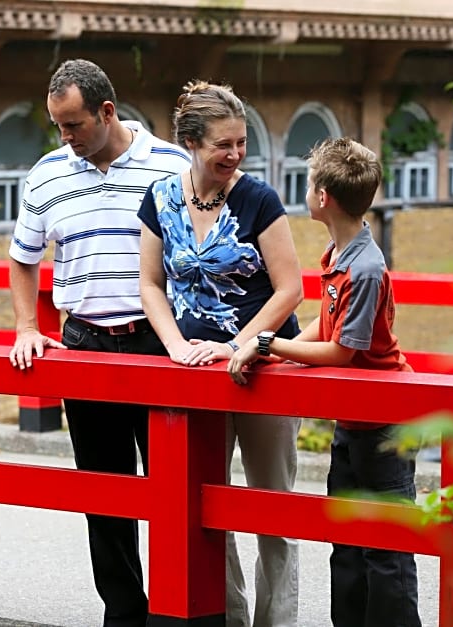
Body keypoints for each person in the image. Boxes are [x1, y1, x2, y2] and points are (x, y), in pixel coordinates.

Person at [7, 58, 190, 627]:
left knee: (175, 489)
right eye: (57, 126)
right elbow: (21, 259)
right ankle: (124, 614)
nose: (65, 137)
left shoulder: (171, 166)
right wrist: (26, 328)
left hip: (159, 343)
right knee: (104, 493)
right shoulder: (46, 173)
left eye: (74, 125)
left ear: (107, 112)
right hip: (84, 343)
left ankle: (178, 607)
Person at [227, 137, 422, 627]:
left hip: (385, 422)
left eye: (311, 182)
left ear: (322, 198)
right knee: (347, 539)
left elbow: (341, 351)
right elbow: (324, 325)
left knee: (387, 545)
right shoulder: (338, 252)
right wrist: (279, 351)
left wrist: (269, 345)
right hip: (351, 417)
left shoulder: (366, 267)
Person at [137, 80, 303, 627]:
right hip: (194, 372)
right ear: (190, 141)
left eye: (241, 143)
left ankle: (275, 621)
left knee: (272, 505)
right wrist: (176, 347)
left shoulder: (259, 199)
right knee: (205, 505)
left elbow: (290, 289)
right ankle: (223, 616)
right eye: (222, 144)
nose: (234, 155)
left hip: (263, 367)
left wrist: (239, 345)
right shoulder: (160, 199)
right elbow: (151, 285)